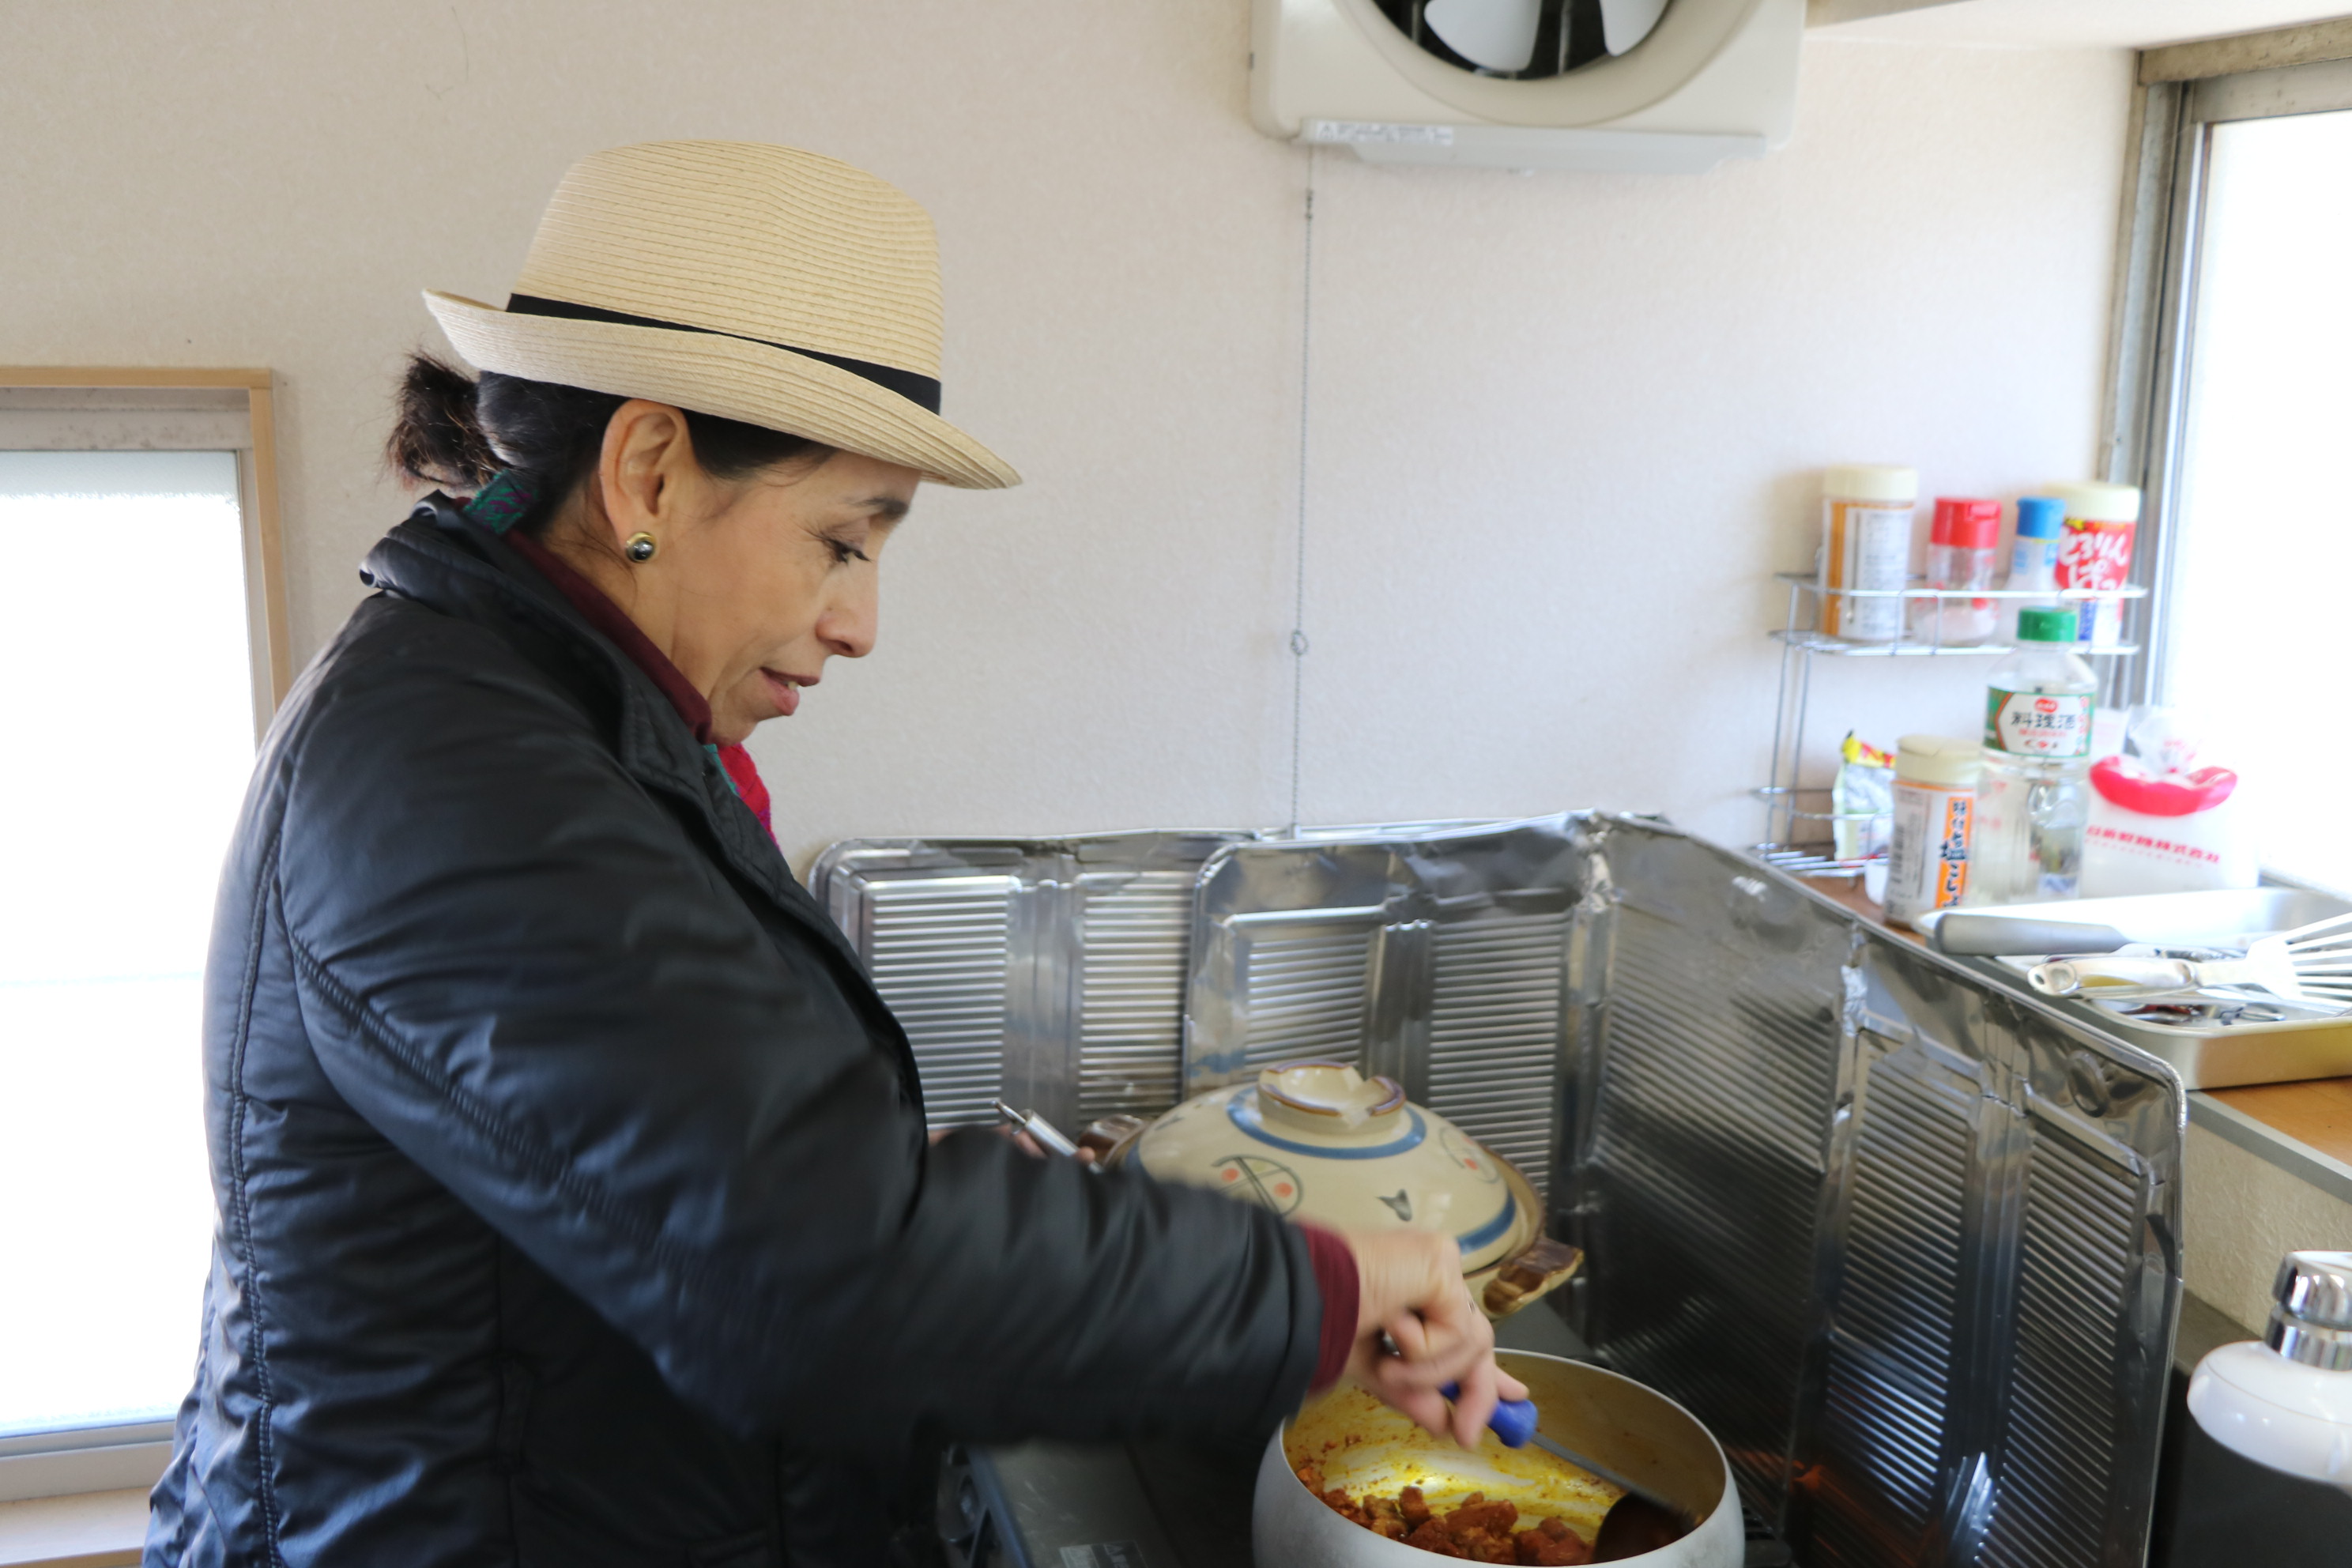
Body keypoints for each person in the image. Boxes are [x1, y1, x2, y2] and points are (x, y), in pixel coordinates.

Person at [145, 141, 1520, 1568]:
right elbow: (812, 1278)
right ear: (649, 471)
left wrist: (931, 1185)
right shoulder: (463, 780)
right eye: (844, 540)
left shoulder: (551, 706)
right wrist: (1314, 1293)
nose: (860, 623)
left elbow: (686, 1144)